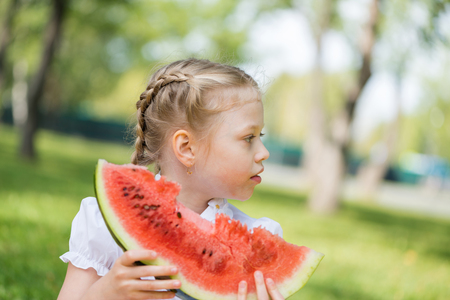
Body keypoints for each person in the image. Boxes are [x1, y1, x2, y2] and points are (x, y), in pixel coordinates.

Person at [58, 58, 286, 300]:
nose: (264, 152)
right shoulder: (102, 223)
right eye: (249, 138)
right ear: (187, 148)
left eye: (260, 135)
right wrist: (107, 293)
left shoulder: (260, 241)